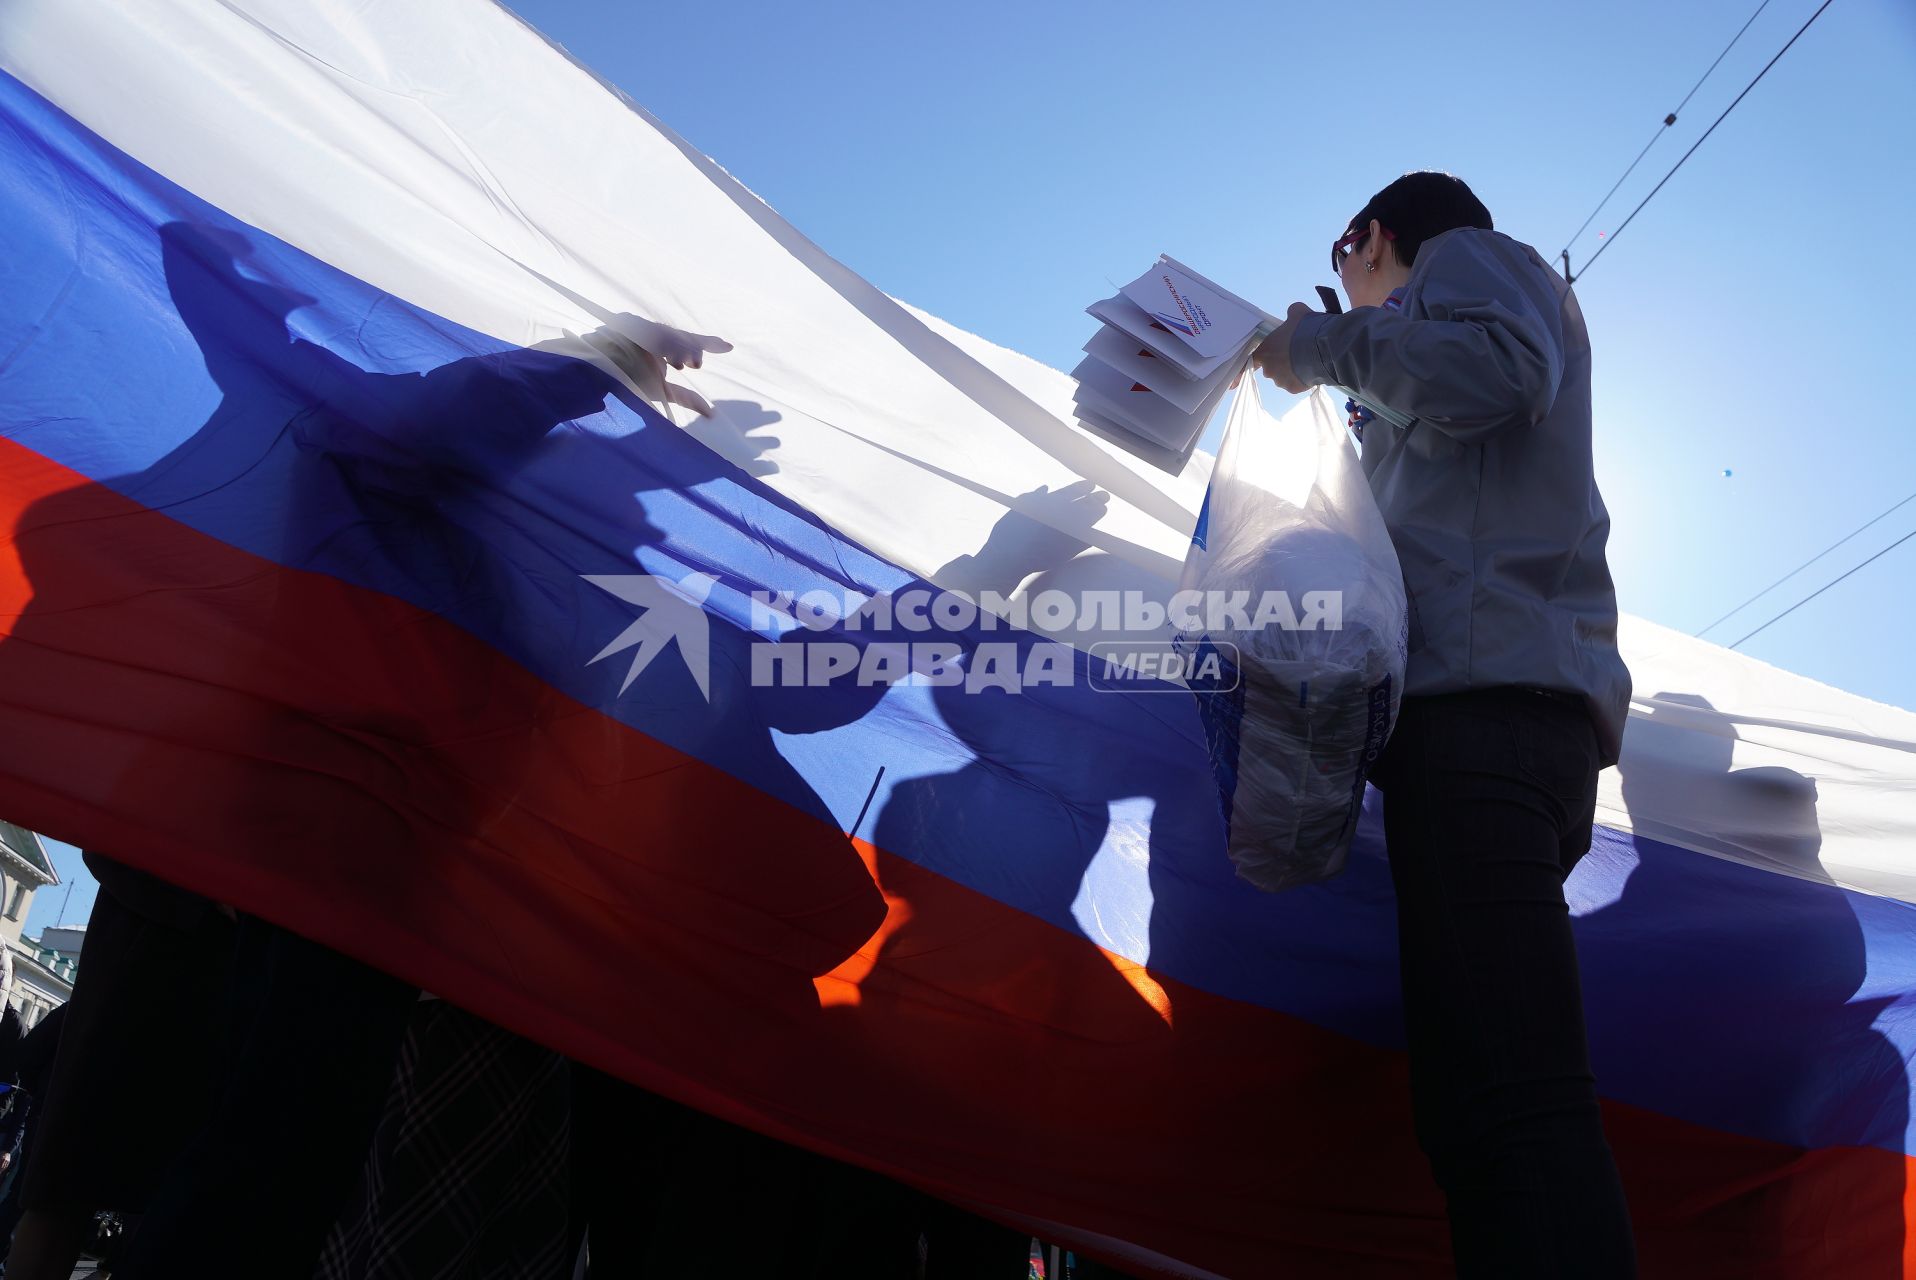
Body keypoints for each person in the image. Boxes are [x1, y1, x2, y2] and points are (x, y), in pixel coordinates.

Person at [1254, 171, 1636, 1276]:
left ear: (1369, 235)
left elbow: (1492, 374)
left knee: (1512, 1104)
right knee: (1472, 1113)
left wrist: (1324, 352)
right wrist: (1345, 373)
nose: (1354, 289)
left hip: (1484, 720)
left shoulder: (1465, 258)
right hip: (1481, 726)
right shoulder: (1432, 324)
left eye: (1346, 259)